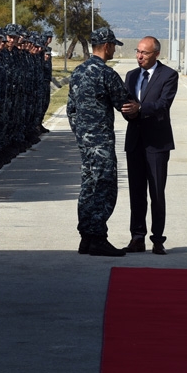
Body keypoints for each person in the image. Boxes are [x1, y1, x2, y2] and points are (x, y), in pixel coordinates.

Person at [67, 27, 139, 257]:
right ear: (107, 46)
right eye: (113, 46)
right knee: (104, 188)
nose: (113, 51)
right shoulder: (106, 74)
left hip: (85, 142)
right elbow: (125, 105)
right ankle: (97, 237)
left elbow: (71, 110)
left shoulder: (78, 72)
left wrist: (80, 134)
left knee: (88, 187)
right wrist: (138, 108)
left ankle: (86, 237)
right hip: (101, 141)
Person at [122, 36, 178, 255]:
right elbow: (126, 103)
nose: (139, 56)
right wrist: (128, 111)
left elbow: (163, 104)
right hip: (135, 141)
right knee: (136, 192)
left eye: (144, 53)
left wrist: (140, 109)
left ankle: (157, 239)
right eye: (137, 52)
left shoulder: (168, 75)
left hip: (157, 143)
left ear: (156, 54)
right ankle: (137, 237)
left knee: (156, 192)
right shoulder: (131, 75)